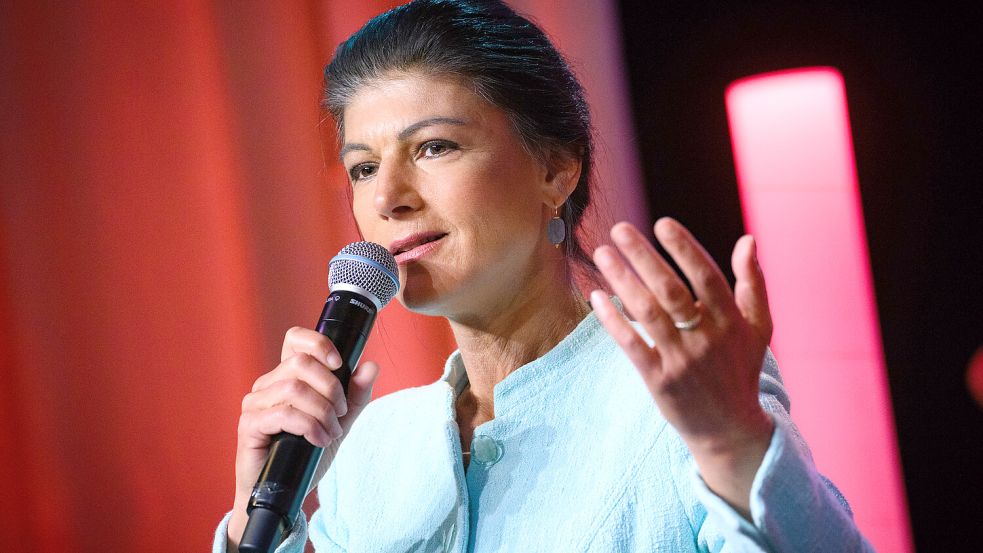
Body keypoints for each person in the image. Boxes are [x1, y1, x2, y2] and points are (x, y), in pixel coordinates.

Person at [215, 1, 873, 551]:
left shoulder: (680, 385)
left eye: (433, 147)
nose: (387, 197)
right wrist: (258, 511)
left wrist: (734, 444)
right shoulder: (372, 449)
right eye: (362, 167)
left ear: (556, 170)